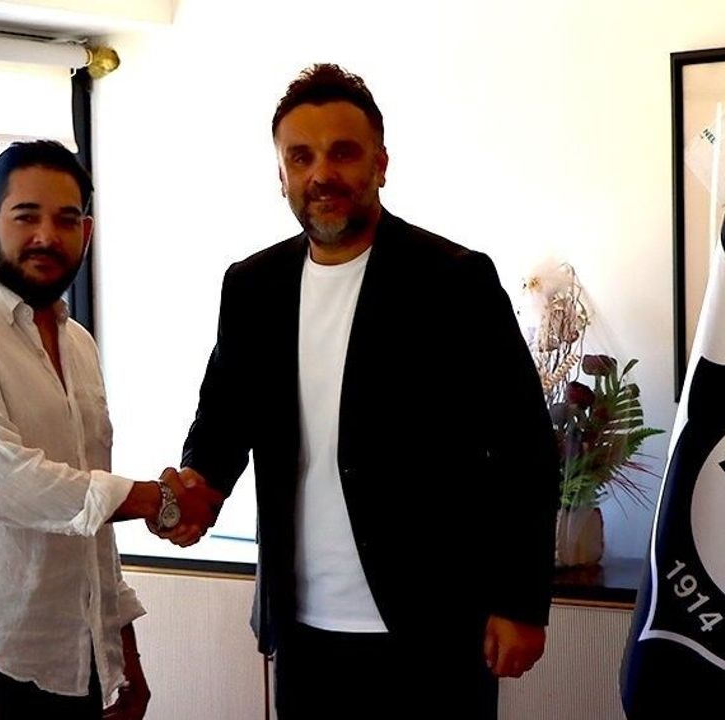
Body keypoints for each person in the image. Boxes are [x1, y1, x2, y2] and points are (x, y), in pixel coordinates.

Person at [176, 64, 562, 718]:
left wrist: (520, 602)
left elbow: (525, 448)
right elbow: (222, 425)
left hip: (434, 628)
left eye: (343, 153)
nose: (321, 174)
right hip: (302, 630)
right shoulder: (252, 287)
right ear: (281, 175)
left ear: (380, 164)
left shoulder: (453, 281)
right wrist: (193, 491)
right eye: (301, 157)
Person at [0, 140, 219, 720]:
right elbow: (3, 482)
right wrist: (157, 500)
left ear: (85, 234)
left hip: (74, 661)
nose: (47, 236)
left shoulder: (79, 345)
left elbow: (86, 518)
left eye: (66, 220)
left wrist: (122, 654)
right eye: (26, 217)